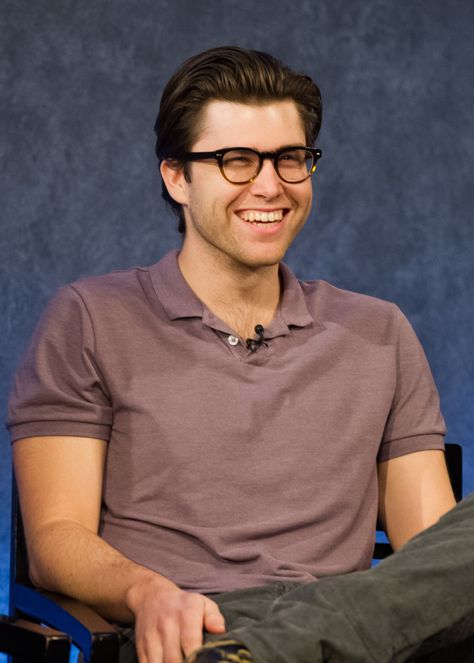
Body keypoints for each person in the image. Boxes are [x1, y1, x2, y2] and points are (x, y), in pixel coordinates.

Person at [7, 46, 472, 663]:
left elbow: (431, 558)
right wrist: (149, 594)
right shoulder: (90, 319)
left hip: (354, 629)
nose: (270, 185)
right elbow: (56, 539)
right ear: (177, 176)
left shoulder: (379, 331)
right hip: (191, 628)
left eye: (291, 159)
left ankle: (268, 651)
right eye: (236, 161)